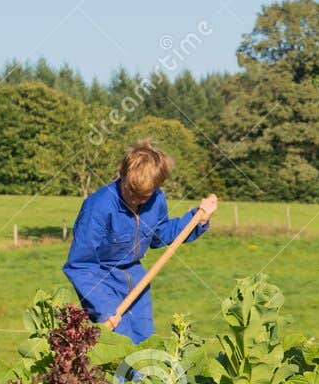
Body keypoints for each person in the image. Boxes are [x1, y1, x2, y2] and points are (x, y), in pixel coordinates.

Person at [63, 140, 218, 342]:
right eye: (131, 192)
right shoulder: (98, 207)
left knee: (144, 342)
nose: (135, 200)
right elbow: (80, 265)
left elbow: (159, 234)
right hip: (102, 280)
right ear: (123, 176)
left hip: (136, 278)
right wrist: (103, 307)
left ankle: (145, 375)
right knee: (118, 348)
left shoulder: (157, 200)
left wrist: (198, 219)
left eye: (144, 196)